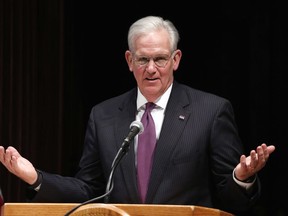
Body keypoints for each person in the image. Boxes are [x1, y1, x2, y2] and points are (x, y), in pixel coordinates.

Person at [0, 16, 275, 215]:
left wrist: (241, 177)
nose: (151, 69)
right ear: (130, 61)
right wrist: (36, 177)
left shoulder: (211, 111)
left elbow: (233, 202)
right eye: (143, 60)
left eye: (160, 59)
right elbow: (89, 191)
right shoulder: (104, 115)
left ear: (176, 60)